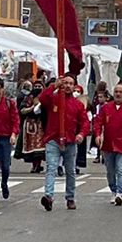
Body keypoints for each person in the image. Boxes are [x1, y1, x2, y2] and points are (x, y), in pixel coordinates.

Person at [40, 78, 85, 211]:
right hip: (53, 139)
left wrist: (81, 134)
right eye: (65, 83)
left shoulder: (78, 105)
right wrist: (53, 86)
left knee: (70, 171)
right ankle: (48, 196)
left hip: (70, 141)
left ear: (74, 86)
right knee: (51, 168)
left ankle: (70, 198)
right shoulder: (53, 99)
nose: (67, 86)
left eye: (70, 84)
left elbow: (84, 122)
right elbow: (42, 99)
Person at [92, 85, 122, 206]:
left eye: (120, 92)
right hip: (108, 145)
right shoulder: (106, 108)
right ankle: (113, 190)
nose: (118, 94)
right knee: (110, 171)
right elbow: (98, 123)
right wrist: (97, 135)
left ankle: (120, 193)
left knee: (121, 169)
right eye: (116, 92)